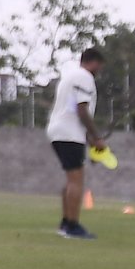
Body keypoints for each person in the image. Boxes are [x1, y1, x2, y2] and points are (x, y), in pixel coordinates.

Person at [46, 46, 106, 240]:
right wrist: (97, 137)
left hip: (61, 131)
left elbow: (73, 110)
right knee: (76, 179)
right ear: (94, 62)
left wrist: (89, 141)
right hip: (68, 133)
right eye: (99, 66)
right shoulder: (84, 77)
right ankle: (72, 225)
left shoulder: (70, 77)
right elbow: (81, 109)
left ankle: (65, 222)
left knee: (72, 179)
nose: (99, 71)